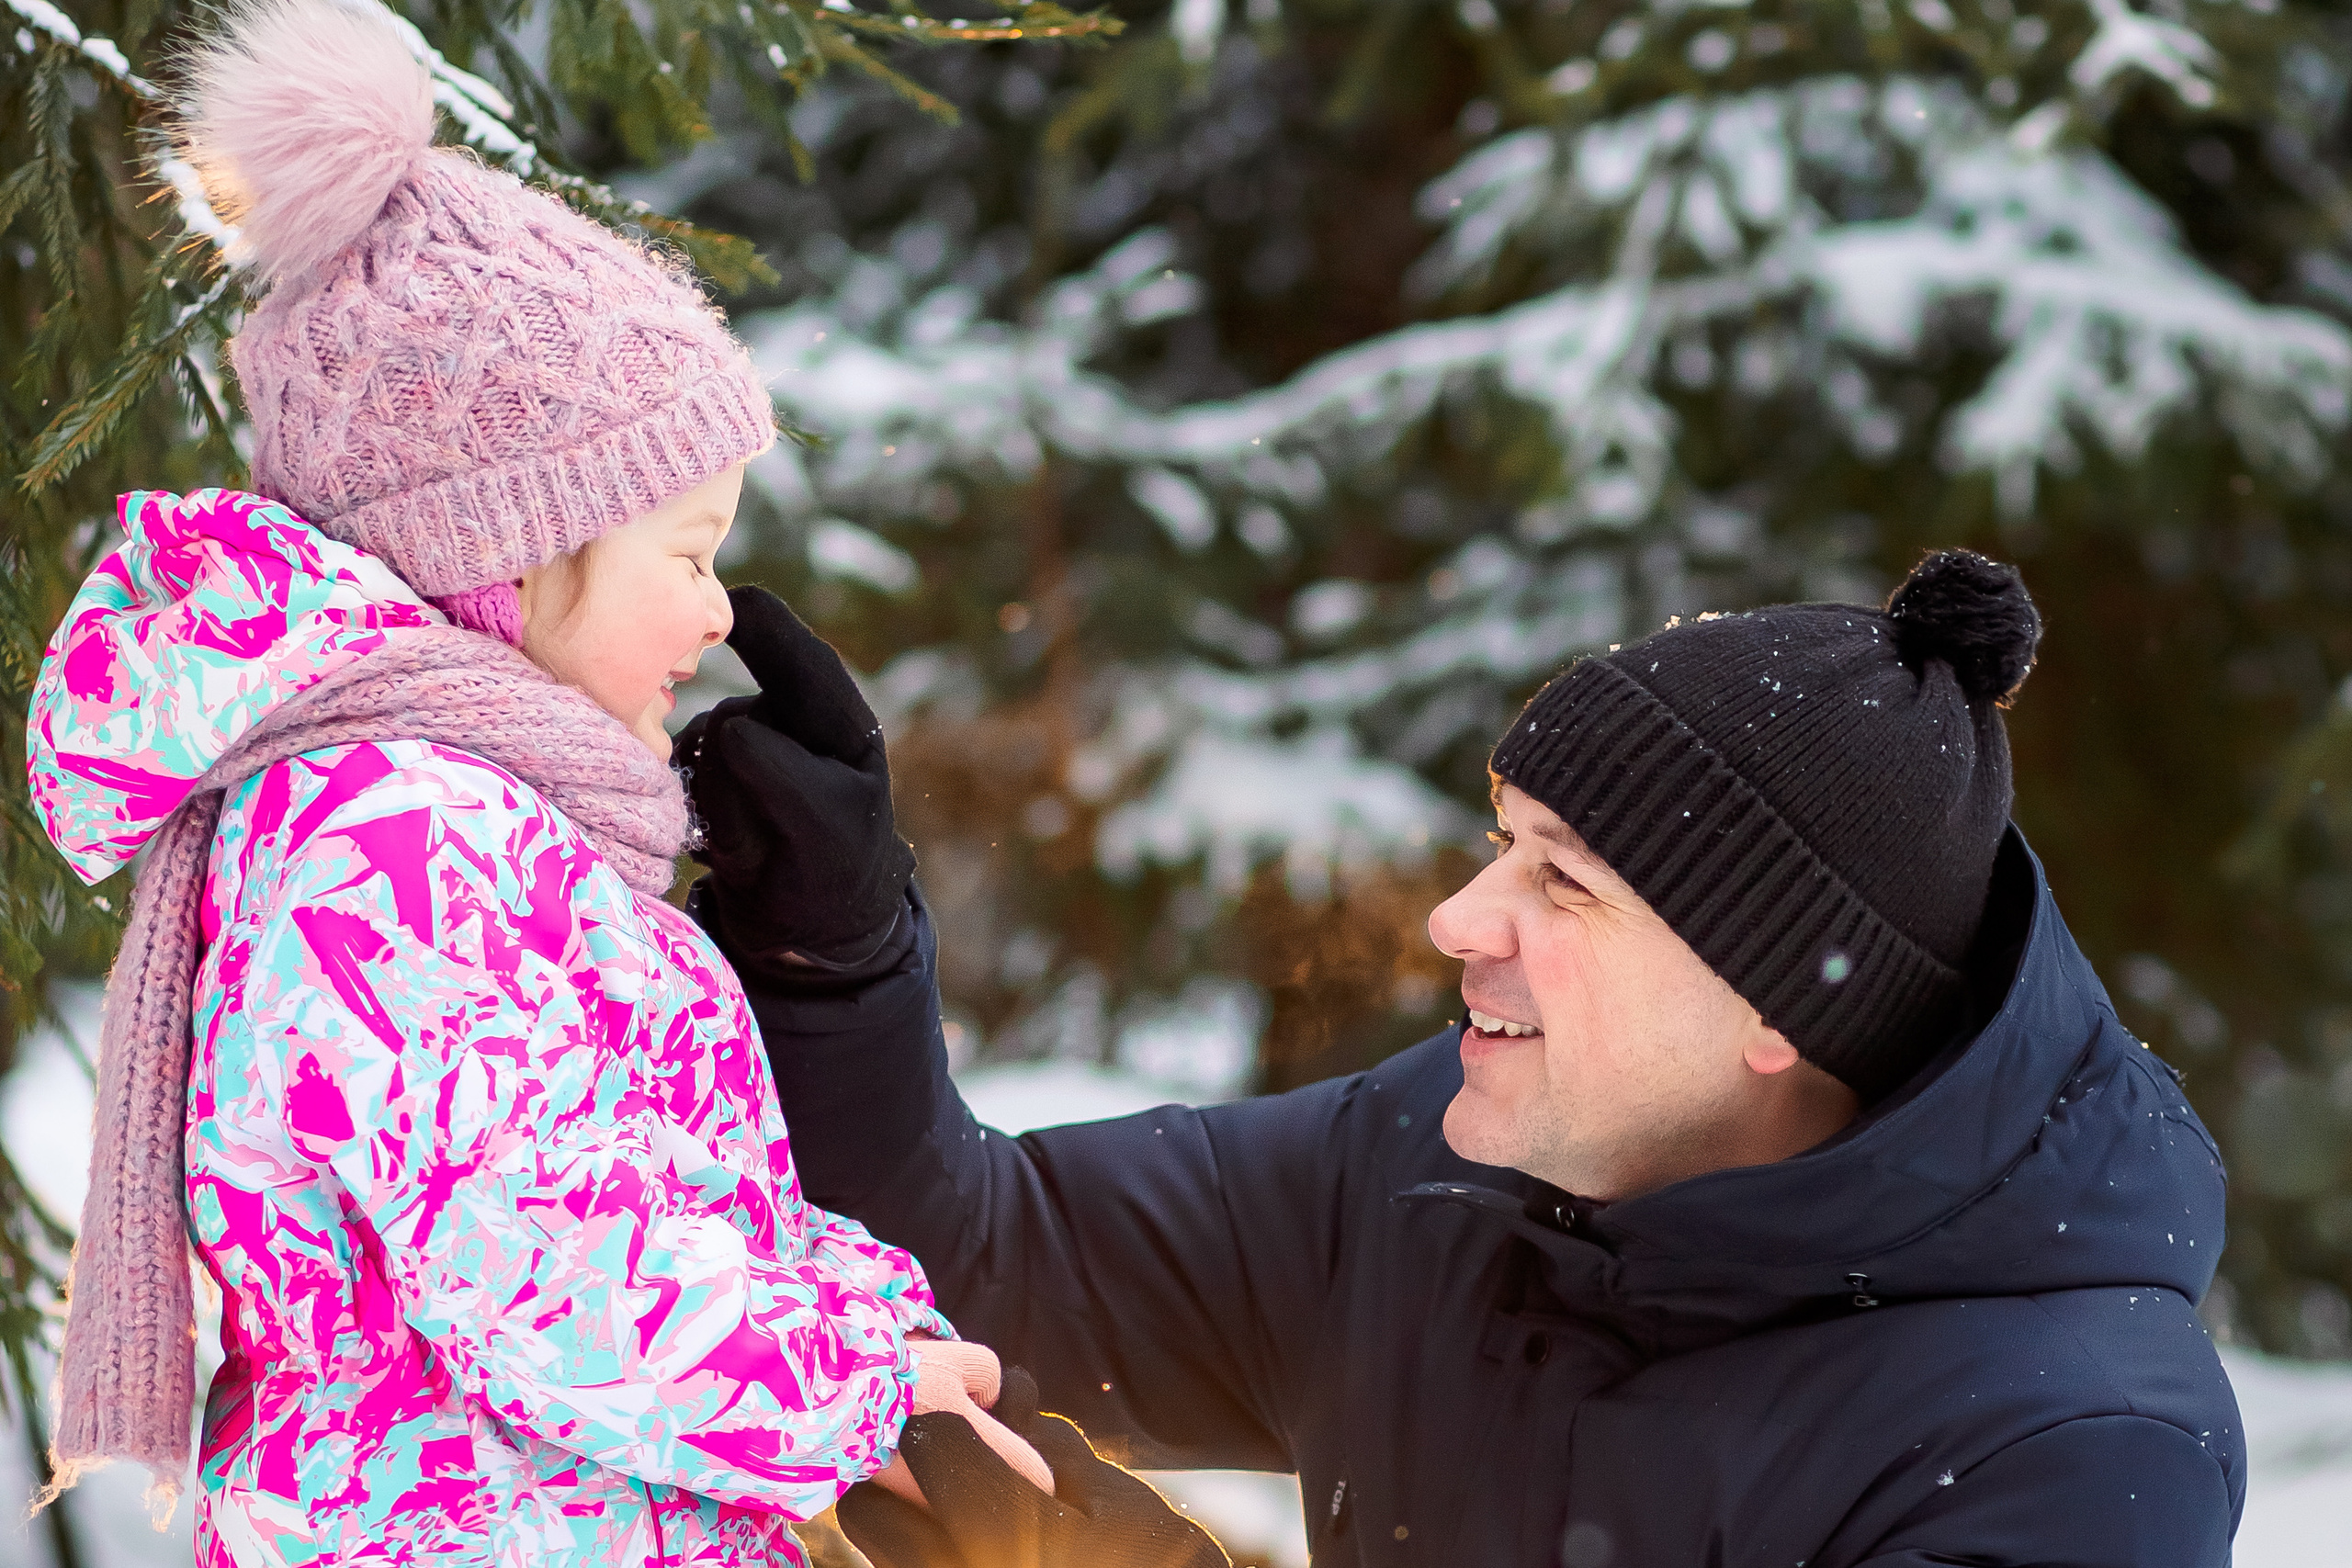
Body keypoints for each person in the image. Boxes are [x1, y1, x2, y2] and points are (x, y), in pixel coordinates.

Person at [22, 3, 1057, 1562]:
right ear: (504, 549)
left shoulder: (459, 822)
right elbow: (550, 1271)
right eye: (690, 555)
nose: (720, 614)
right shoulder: (397, 842)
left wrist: (876, 1324)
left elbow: (644, 1197)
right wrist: (857, 1384)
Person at [687, 551, 2246, 1566]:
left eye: (1563, 882)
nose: (1456, 917)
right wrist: (839, 964)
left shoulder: (2070, 1452)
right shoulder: (1447, 1161)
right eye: (1504, 844)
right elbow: (971, 1259)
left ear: (1779, 1007)